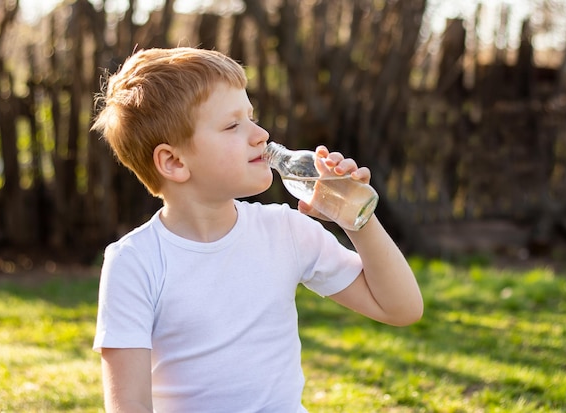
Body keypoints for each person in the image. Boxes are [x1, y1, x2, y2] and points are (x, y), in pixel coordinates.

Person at [92, 46, 423, 413]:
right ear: (174, 161)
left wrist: (356, 218)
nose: (261, 134)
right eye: (233, 125)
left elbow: (401, 308)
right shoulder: (135, 263)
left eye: (252, 117)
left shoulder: (286, 232)